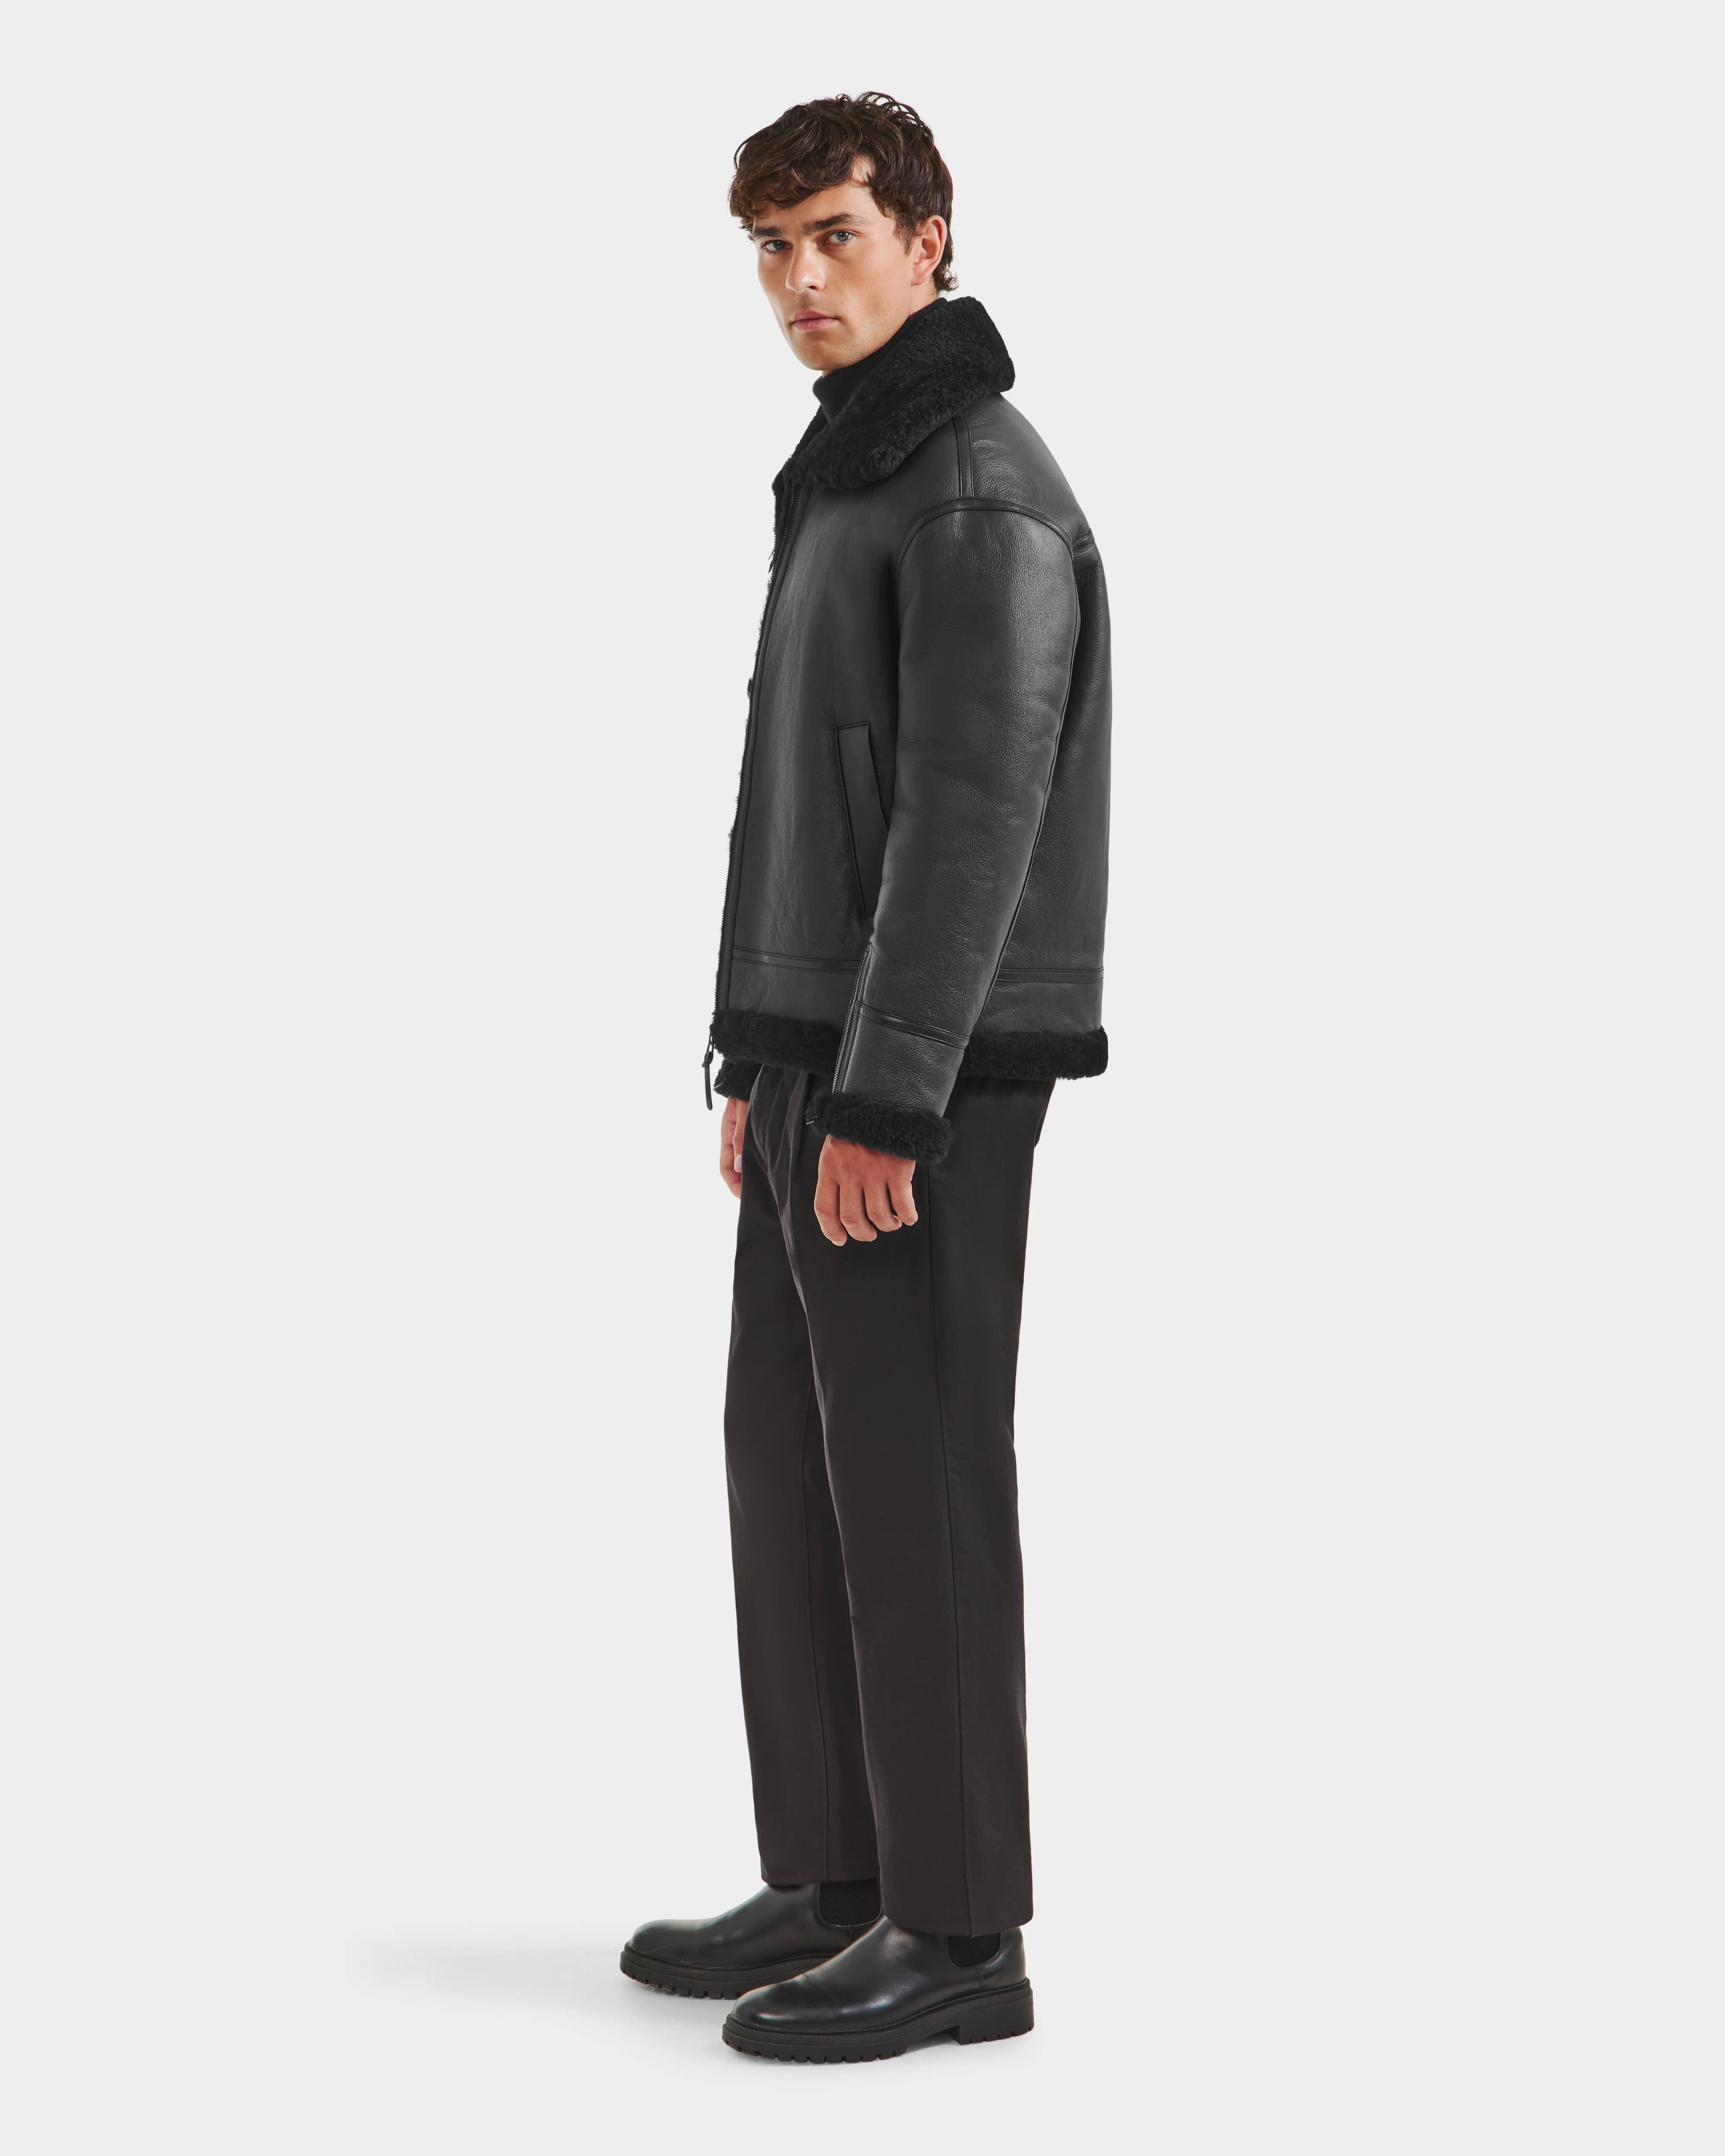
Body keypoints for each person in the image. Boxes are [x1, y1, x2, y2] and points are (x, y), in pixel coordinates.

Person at [622, 91, 1111, 2064]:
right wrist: (765, 1050)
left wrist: (892, 1094)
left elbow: (968, 821)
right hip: (826, 1049)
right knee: (793, 1464)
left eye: (833, 234)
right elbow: (807, 804)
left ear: (927, 235)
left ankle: (960, 1924)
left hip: (930, 1066)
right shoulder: (857, 468)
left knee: (912, 1480)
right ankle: (840, 1871)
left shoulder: (975, 491)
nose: (797, 279)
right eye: (770, 245)